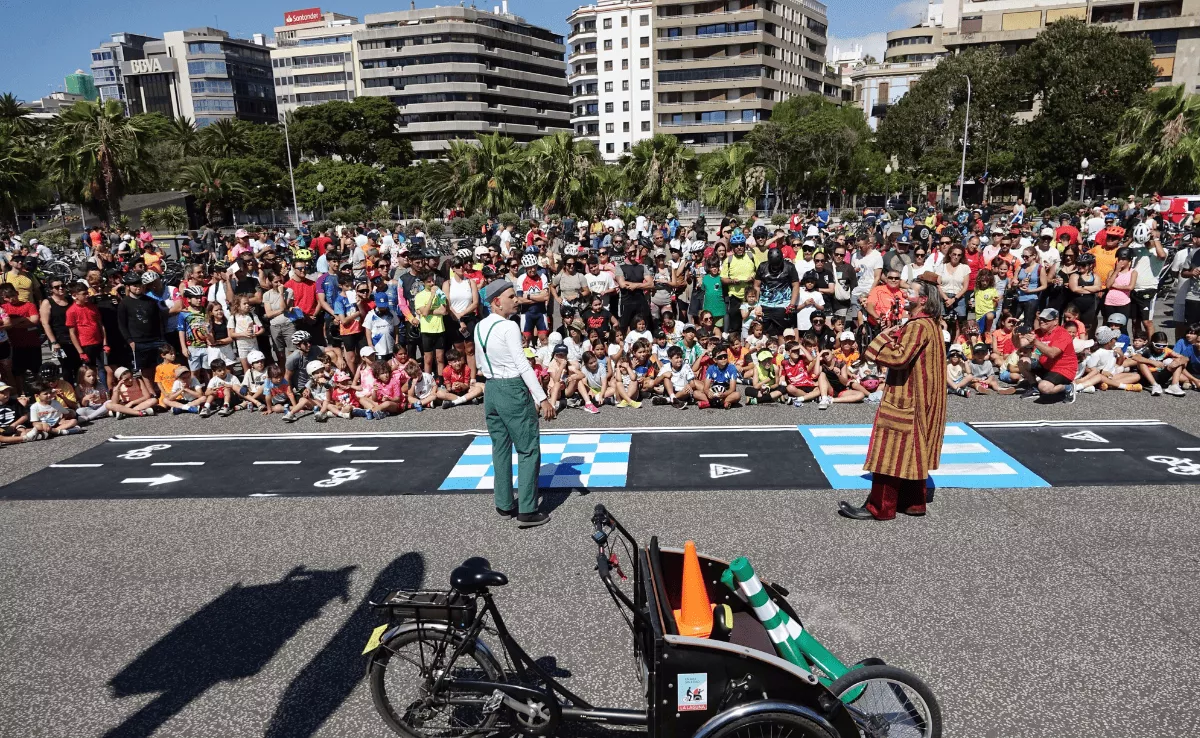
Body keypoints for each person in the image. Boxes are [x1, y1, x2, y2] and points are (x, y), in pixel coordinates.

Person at [839, 275, 947, 521]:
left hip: (906, 396)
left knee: (889, 452)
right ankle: (913, 502)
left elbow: (899, 357)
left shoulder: (918, 326)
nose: (905, 294)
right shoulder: (932, 324)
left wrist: (883, 338)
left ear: (923, 299)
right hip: (923, 397)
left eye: (911, 292)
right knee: (914, 449)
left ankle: (880, 507)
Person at [474, 280, 556, 528]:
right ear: (496, 302)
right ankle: (528, 510)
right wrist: (542, 398)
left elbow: (479, 363)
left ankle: (504, 503)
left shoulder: (479, 326)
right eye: (511, 296)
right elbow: (522, 365)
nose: (517, 300)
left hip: (491, 389)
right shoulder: (509, 326)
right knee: (528, 448)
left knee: (500, 447)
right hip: (511, 388)